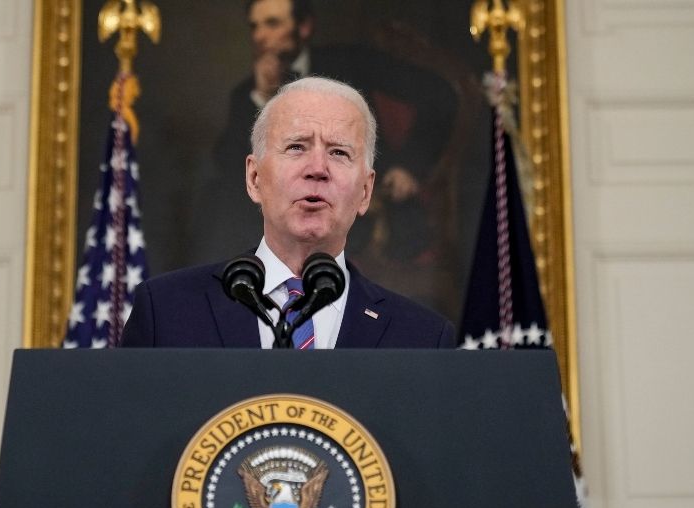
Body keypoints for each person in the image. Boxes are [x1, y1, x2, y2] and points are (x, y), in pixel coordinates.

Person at [121, 77, 455, 349]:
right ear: (254, 179)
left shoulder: (422, 339)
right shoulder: (166, 312)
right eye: (296, 147)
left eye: (339, 152)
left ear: (365, 191)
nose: (317, 169)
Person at [192, 0, 456, 266]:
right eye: (255, 26)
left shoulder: (351, 62)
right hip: (275, 215)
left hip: (360, 209)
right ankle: (231, 290)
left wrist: (409, 165)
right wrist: (262, 98)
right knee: (218, 198)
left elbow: (439, 95)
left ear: (304, 27)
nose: (260, 35)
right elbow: (228, 165)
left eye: (272, 23)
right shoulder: (246, 93)